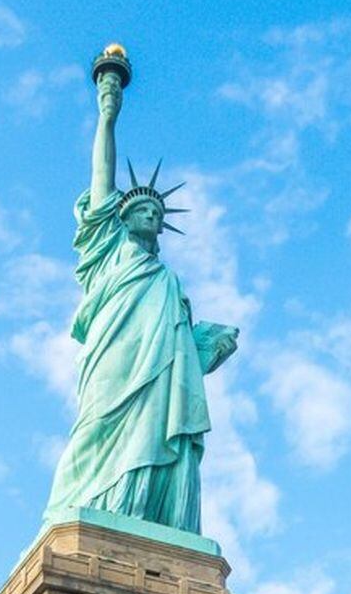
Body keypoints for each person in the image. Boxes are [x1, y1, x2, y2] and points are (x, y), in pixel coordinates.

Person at [41, 63, 236, 534]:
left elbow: (183, 346)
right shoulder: (105, 252)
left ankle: (148, 518)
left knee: (156, 431)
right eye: (139, 208)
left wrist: (206, 344)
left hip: (159, 377)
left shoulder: (167, 280)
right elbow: (102, 177)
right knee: (93, 431)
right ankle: (82, 510)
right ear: (121, 219)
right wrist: (108, 113)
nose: (149, 212)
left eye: (155, 209)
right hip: (114, 362)